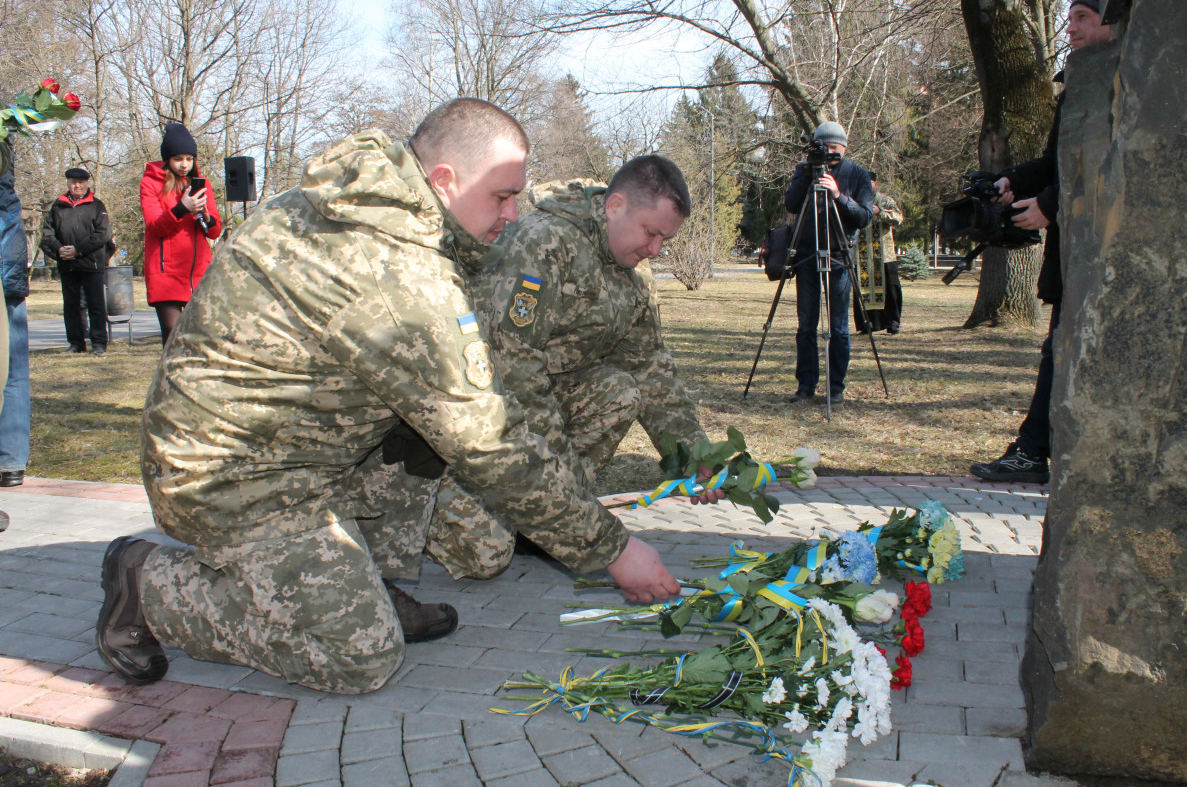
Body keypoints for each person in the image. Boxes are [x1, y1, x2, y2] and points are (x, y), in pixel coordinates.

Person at [95, 99, 680, 696]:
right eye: (502, 196)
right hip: (227, 473)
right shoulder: (393, 266)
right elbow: (489, 442)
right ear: (445, 180)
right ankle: (151, 585)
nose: (512, 213)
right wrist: (612, 549)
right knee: (361, 656)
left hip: (297, 443)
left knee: (420, 438)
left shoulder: (366, 207)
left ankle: (360, 579)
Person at [473, 156, 709, 493]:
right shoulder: (544, 242)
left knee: (619, 390)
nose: (656, 250)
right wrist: (559, 471)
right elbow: (513, 365)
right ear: (615, 206)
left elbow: (649, 366)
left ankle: (558, 501)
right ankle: (543, 500)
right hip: (489, 402)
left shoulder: (635, 269)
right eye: (651, 233)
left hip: (548, 397)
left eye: (665, 240)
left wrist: (698, 458)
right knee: (518, 512)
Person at [970, 0, 1112, 484]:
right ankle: (1033, 451)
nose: (1070, 27)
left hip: (1106, 254)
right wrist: (1011, 181)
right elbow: (1058, 162)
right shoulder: (1078, 85)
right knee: (1058, 349)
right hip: (1076, 255)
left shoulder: (1125, 80)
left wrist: (1049, 205)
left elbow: (1107, 162)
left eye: (1083, 17)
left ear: (1113, 22)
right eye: (1069, 17)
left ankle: (1036, 452)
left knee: (1065, 351)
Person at [783, 121, 874, 404]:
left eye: (834, 148)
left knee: (838, 326)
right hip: (807, 255)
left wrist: (838, 195)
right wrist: (807, 174)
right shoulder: (804, 170)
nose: (829, 153)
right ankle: (806, 385)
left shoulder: (857, 174)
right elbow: (791, 204)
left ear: (843, 148)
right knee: (806, 325)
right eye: (824, 147)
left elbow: (864, 217)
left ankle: (836, 387)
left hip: (838, 256)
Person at [140, 123, 221, 345]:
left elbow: (215, 231)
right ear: (168, 159)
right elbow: (155, 226)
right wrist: (181, 208)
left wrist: (206, 217)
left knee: (201, 332)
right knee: (172, 331)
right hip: (165, 270)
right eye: (178, 159)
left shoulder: (202, 184)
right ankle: (170, 368)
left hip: (197, 269)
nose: (185, 164)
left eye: (189, 158)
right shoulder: (150, 183)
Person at [41, 167, 113, 354]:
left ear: (87, 183)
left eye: (81, 182)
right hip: (67, 264)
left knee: (96, 305)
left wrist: (78, 250)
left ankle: (99, 343)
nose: (77, 186)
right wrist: (59, 249)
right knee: (71, 306)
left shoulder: (96, 205)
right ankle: (76, 343)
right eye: (73, 182)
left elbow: (103, 234)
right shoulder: (58, 206)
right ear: (68, 183)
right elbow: (48, 234)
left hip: (92, 263)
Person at [0, 138, 29, 489]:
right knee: (14, 367)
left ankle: (11, 458)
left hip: (8, 273)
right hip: (10, 267)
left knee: (14, 366)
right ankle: (11, 460)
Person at [854, 173, 904, 335]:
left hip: (885, 254)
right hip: (861, 255)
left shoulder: (885, 200)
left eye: (869, 183)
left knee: (891, 289)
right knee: (863, 291)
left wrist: (880, 212)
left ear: (876, 184)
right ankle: (867, 324)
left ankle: (893, 322)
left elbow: (898, 218)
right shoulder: (854, 200)